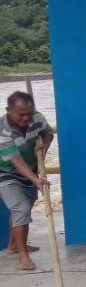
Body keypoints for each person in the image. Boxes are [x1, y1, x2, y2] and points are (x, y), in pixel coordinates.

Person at [0, 91, 52, 271]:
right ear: (9, 110)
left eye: (28, 114)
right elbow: (17, 162)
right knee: (20, 207)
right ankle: (23, 256)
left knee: (23, 209)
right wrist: (36, 180)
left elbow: (48, 133)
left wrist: (44, 146)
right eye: (20, 115)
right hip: (6, 172)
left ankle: (14, 246)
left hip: (30, 169)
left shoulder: (36, 118)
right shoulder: (2, 131)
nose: (25, 118)